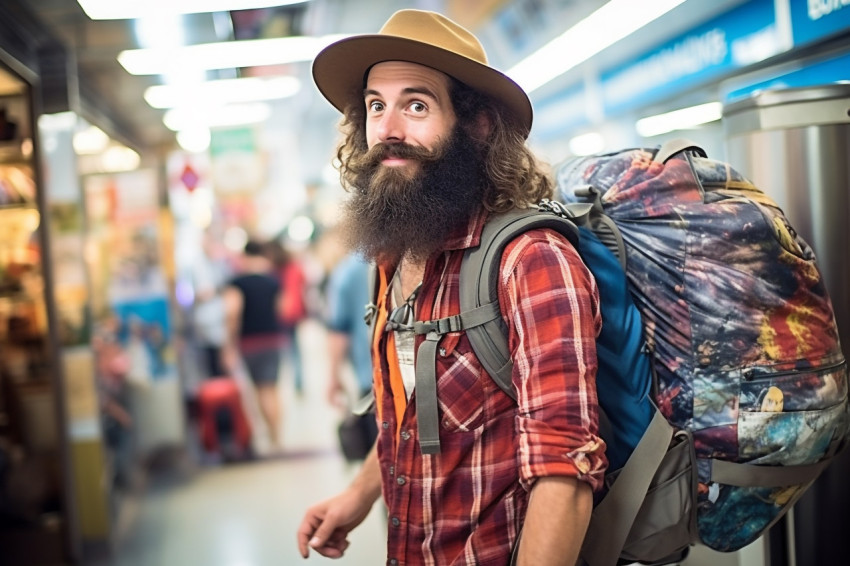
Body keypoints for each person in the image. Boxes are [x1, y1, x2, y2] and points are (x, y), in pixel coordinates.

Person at [297, 9, 607, 565]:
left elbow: (567, 471)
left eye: (416, 105)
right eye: (375, 105)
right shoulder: (394, 253)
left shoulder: (530, 260)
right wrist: (359, 493)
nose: (388, 128)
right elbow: (411, 415)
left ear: (477, 124)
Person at [222, 239, 285, 451]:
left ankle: (270, 436)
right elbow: (281, 309)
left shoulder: (237, 282)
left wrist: (229, 344)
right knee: (272, 389)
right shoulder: (272, 281)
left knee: (259, 391)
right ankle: (276, 436)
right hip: (273, 339)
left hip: (250, 341)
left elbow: (232, 313)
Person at [324, 251, 378, 459]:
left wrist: (333, 376)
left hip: (371, 373)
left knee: (382, 450)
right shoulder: (413, 254)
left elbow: (339, 329)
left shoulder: (347, 270)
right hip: (420, 369)